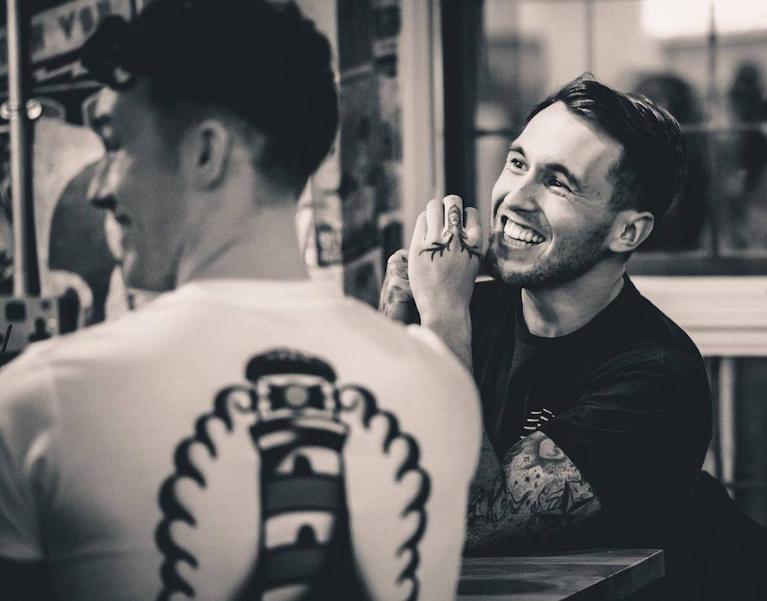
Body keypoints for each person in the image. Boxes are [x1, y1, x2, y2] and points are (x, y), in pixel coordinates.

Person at [0, 2, 480, 600]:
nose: (98, 188)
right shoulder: (440, 385)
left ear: (206, 153)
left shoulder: (44, 402)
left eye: (116, 145)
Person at [381, 74, 718, 600]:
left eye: (558, 183)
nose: (515, 199)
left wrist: (441, 318)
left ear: (627, 231)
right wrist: (399, 319)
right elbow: (367, 481)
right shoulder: (471, 310)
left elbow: (466, 521)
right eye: (518, 163)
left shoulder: (656, 379)